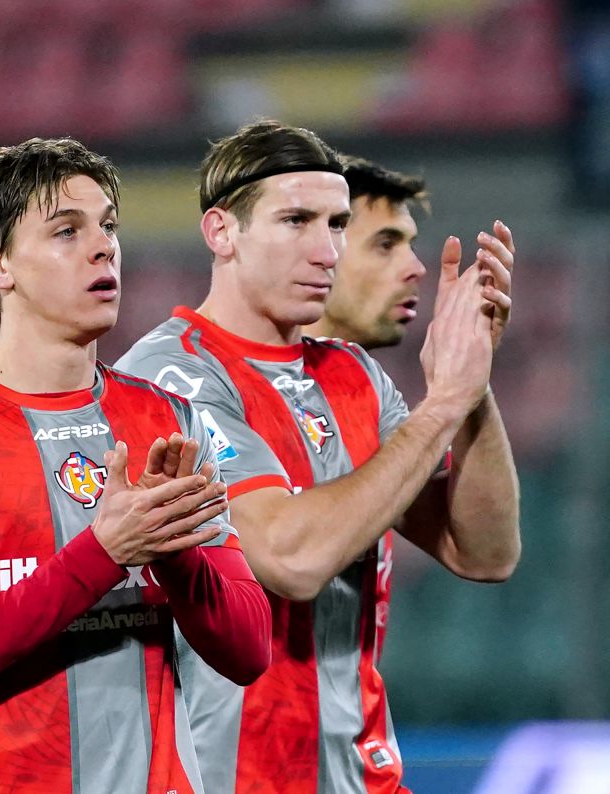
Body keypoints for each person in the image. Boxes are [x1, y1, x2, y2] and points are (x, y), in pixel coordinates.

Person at [116, 120, 520, 793]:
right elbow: (289, 559)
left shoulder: (354, 377)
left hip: (359, 774)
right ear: (222, 232)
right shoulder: (168, 378)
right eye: (296, 220)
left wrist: (472, 387)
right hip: (221, 778)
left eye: (335, 224)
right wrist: (441, 405)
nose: (325, 249)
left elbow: (483, 551)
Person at [0, 138, 272, 794]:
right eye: (66, 231)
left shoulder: (169, 419)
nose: (104, 246)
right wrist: (106, 552)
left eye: (108, 226)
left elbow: (249, 649)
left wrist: (171, 553)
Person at [305, 156, 429, 349]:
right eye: (385, 245)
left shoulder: (371, 378)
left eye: (411, 247)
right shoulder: (245, 377)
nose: (417, 269)